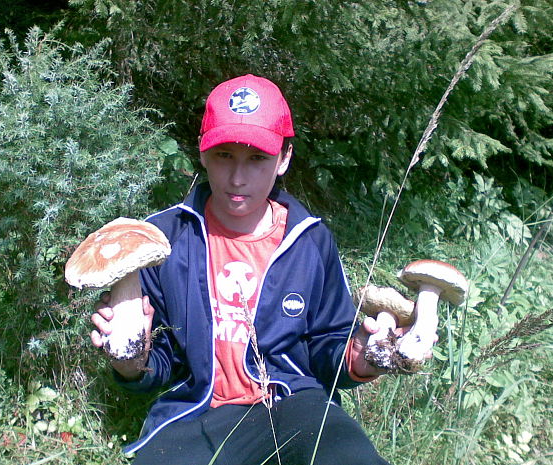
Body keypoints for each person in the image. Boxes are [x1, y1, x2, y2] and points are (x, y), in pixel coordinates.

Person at [91, 74, 420, 465]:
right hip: (198, 414)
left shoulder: (309, 241)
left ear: (284, 158)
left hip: (294, 407)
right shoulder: (162, 240)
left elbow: (329, 349)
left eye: (257, 158)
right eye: (224, 155)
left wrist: (362, 357)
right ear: (202, 152)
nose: (237, 178)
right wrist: (131, 363)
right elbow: (159, 365)